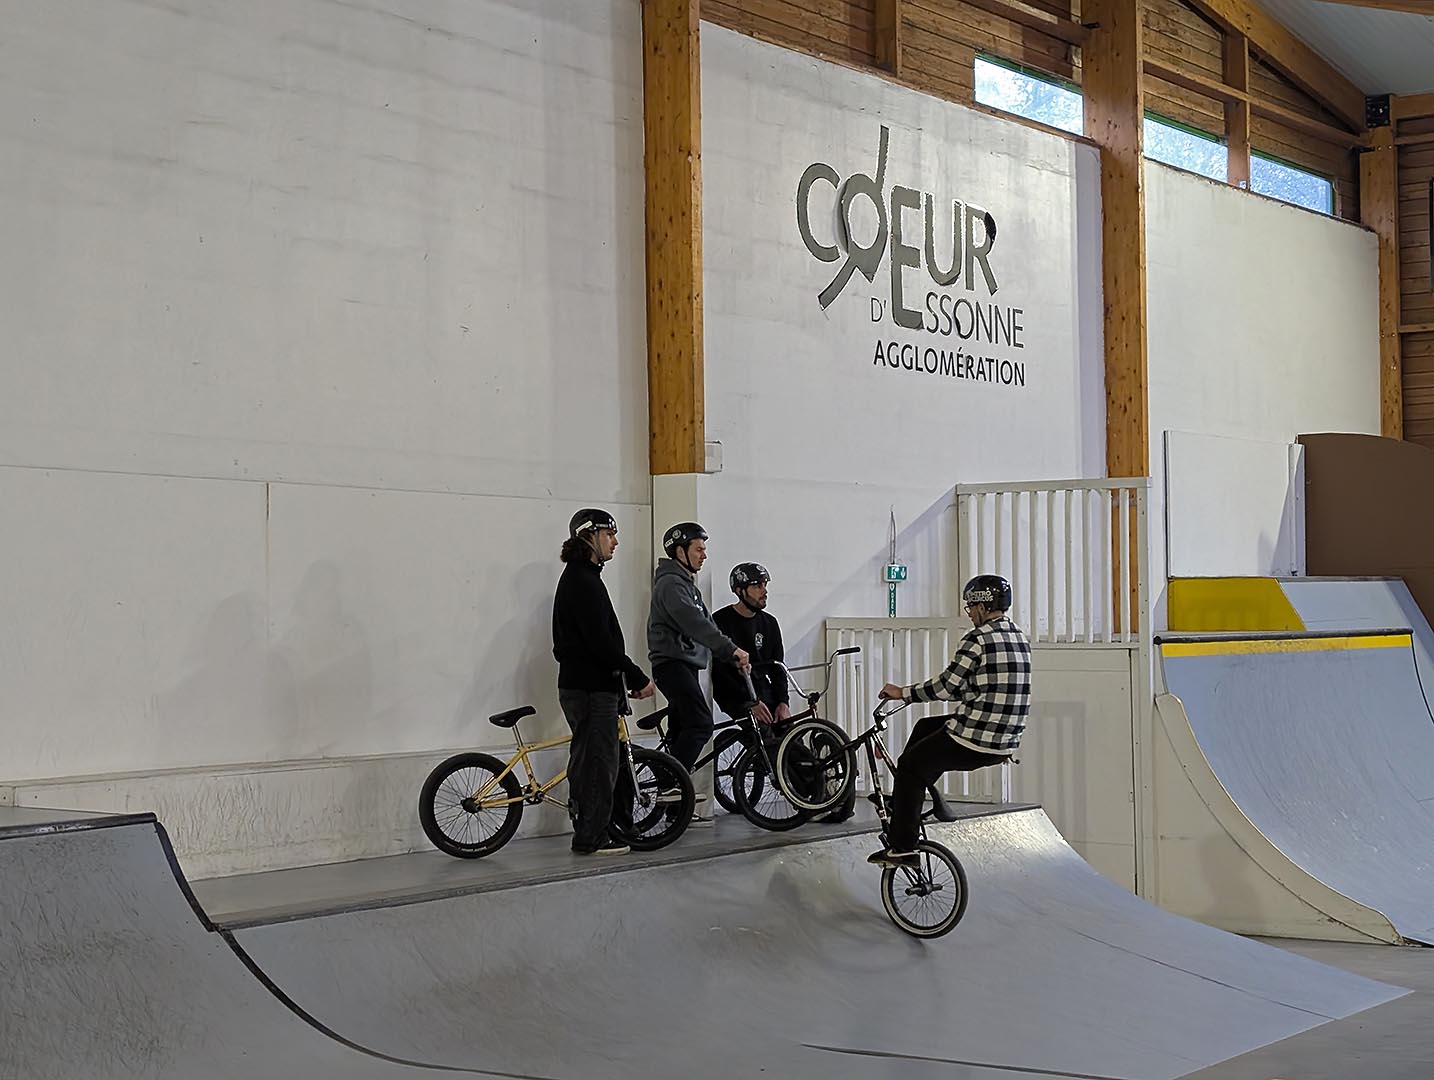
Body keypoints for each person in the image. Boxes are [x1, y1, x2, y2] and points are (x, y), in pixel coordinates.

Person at [867, 574, 1032, 867]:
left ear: (982, 606)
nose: (969, 614)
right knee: (926, 727)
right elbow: (977, 687)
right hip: (1005, 740)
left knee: (910, 766)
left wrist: (903, 693)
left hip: (975, 739)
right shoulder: (1019, 636)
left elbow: (945, 687)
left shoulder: (977, 639)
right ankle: (907, 801)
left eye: (970, 607)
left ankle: (902, 847)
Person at [713, 562, 855, 824]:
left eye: (765, 585)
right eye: (757, 586)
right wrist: (749, 704)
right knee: (770, 741)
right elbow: (720, 674)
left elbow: (778, 668)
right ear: (740, 590)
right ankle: (805, 801)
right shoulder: (720, 622)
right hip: (735, 692)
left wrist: (783, 702)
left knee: (792, 737)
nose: (764, 590)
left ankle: (818, 795)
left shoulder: (769, 623)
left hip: (762, 688)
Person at [553, 509, 656, 856]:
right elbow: (600, 643)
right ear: (589, 536)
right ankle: (591, 837)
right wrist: (636, 674)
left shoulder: (583, 577)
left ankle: (601, 827)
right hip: (590, 688)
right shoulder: (582, 581)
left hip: (591, 685)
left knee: (595, 760)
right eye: (609, 534)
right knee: (597, 764)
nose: (616, 541)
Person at [648, 522, 750, 824]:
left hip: (685, 665)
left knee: (681, 731)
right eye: (698, 549)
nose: (704, 555)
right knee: (701, 724)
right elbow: (694, 622)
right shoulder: (671, 584)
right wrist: (730, 649)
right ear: (680, 551)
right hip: (672, 665)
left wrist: (728, 653)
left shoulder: (686, 584)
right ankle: (669, 783)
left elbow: (706, 624)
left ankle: (675, 810)